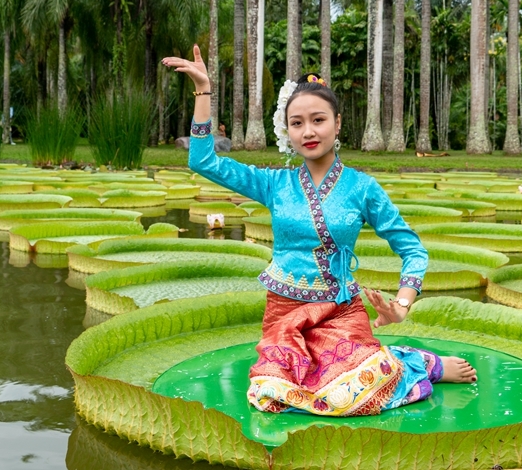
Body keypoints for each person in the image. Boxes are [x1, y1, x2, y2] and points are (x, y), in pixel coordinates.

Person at [162, 46, 476, 417]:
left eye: (318, 120)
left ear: (337, 123)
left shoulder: (362, 188)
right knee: (270, 394)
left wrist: (402, 305)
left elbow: (413, 251)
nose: (308, 132)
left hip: (341, 312)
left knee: (351, 392)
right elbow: (202, 160)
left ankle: (421, 364)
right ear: (288, 131)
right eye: (297, 123)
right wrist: (203, 91)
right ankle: (395, 361)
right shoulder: (274, 184)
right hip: (285, 313)